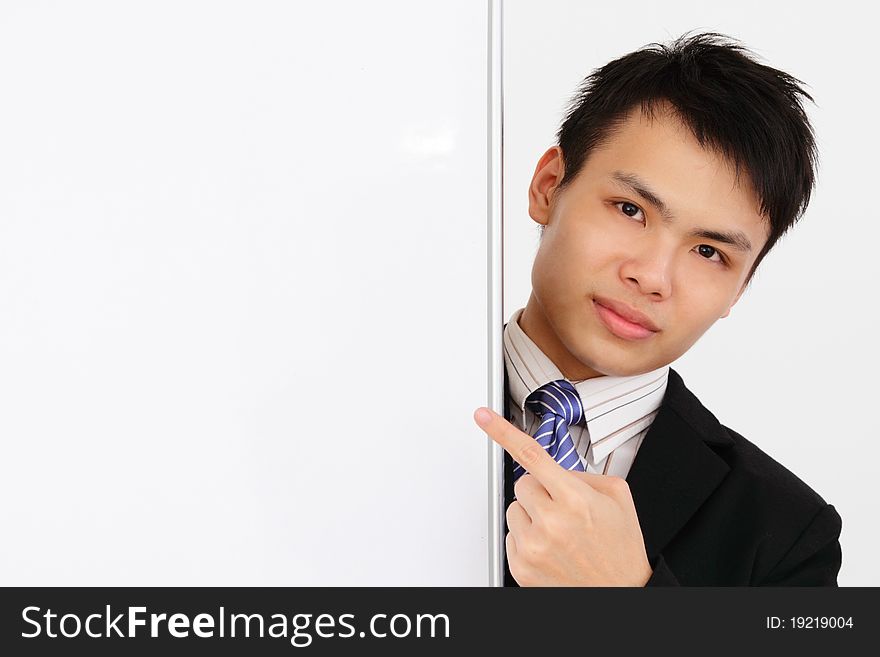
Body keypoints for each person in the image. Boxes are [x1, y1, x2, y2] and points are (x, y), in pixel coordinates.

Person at [473, 32, 842, 586]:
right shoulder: (357, 406)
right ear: (549, 187)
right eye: (630, 209)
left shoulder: (785, 534)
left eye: (708, 252)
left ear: (740, 289)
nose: (652, 277)